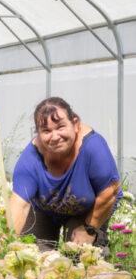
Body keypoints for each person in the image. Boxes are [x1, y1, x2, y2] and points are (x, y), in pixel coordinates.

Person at [7, 97, 121, 252]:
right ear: (38, 133)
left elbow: (109, 192)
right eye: (46, 131)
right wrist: (8, 246)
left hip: (86, 210)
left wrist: (89, 229)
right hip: (44, 210)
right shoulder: (30, 159)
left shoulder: (93, 147)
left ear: (75, 124)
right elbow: (19, 205)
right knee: (31, 255)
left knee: (79, 256)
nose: (54, 137)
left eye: (60, 127)